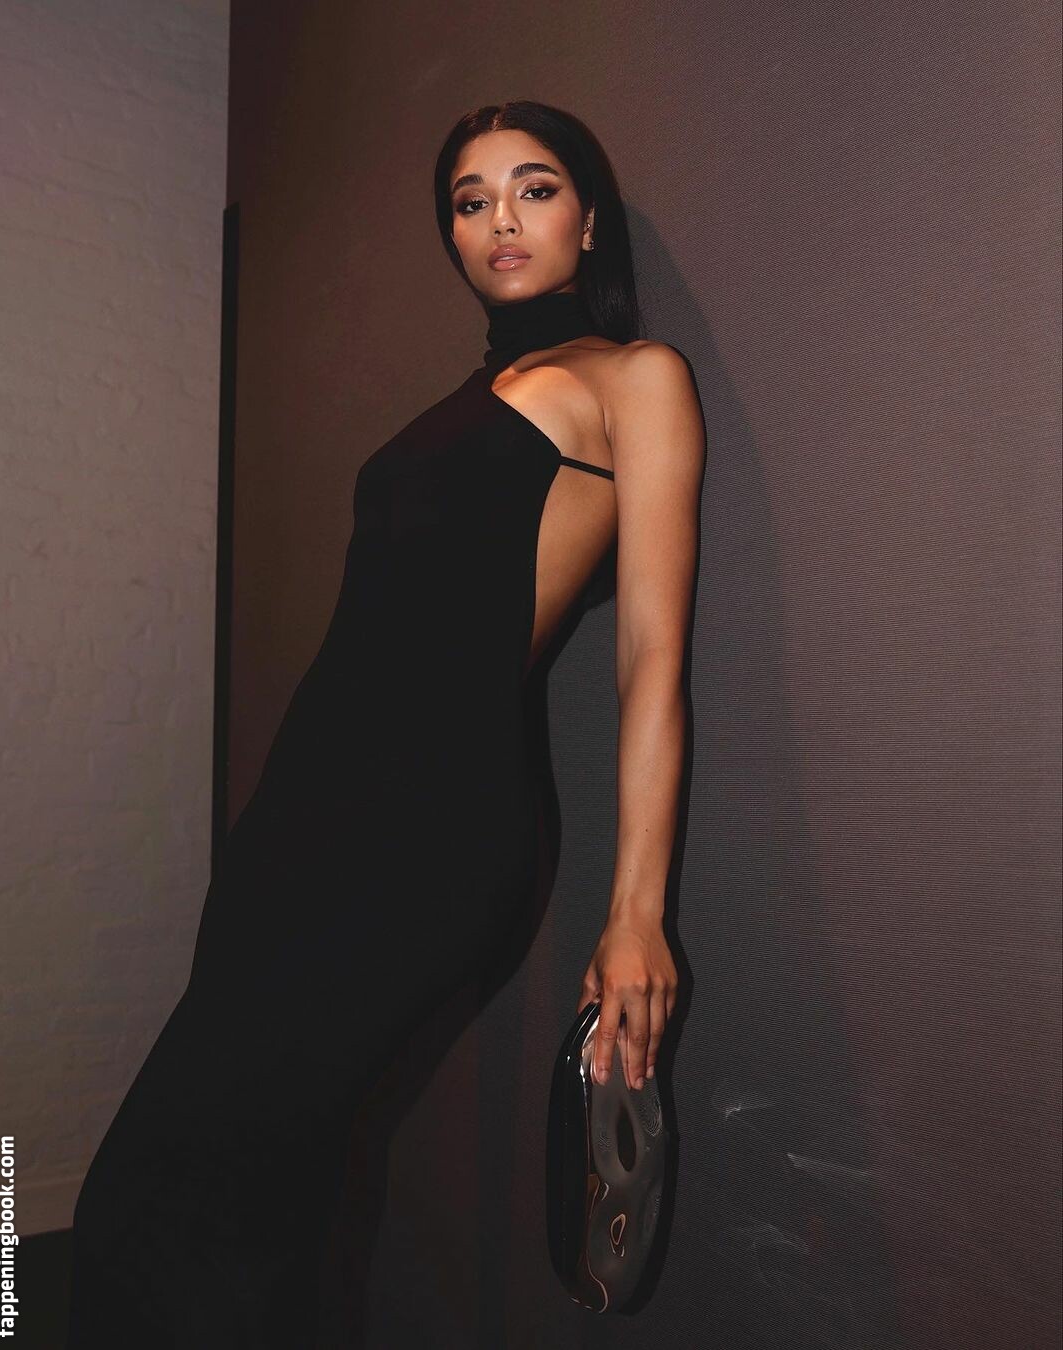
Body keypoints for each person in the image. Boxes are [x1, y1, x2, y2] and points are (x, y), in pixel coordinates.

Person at [65, 99, 705, 1347]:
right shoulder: (470, 396)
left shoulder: (635, 380)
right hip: (302, 822)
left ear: (588, 221)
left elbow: (652, 660)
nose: (500, 219)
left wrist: (637, 913)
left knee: (185, 1192)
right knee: (263, 1193)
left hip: (434, 827)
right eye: (471, 200)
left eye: (533, 188)